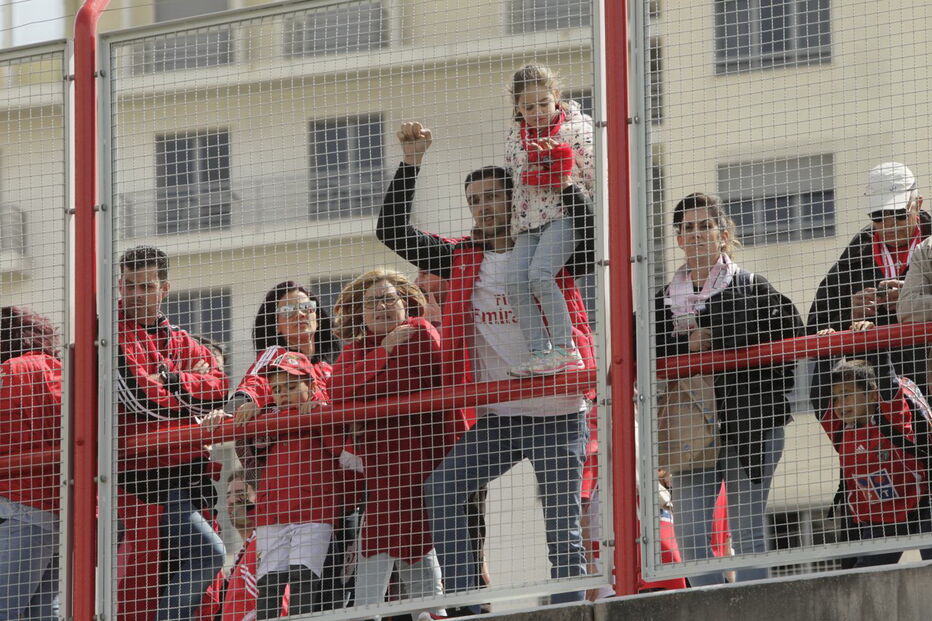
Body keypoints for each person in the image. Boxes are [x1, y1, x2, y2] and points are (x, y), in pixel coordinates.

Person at [376, 121, 595, 615]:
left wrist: (557, 177)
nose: (483, 207)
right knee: (443, 488)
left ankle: (574, 609)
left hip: (557, 413)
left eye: (493, 197)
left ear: (514, 198)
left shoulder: (547, 250)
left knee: (561, 526)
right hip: (501, 416)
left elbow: (590, 231)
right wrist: (412, 162)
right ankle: (466, 605)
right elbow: (391, 232)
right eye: (474, 200)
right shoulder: (461, 257)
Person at [654, 193, 802, 586]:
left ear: (724, 235)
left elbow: (791, 331)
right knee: (690, 539)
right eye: (688, 227)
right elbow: (639, 352)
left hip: (750, 425)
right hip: (691, 431)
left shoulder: (752, 286)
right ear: (678, 238)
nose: (697, 234)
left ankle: (754, 608)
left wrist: (716, 334)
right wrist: (687, 346)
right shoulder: (661, 302)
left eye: (706, 225)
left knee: (748, 528)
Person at [330, 269, 464, 618]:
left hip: (426, 467)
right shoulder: (356, 349)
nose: (383, 307)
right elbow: (339, 392)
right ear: (359, 312)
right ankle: (425, 614)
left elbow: (439, 376)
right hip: (384, 474)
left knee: (404, 541)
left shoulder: (418, 332)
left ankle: (424, 613)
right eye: (373, 301)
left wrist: (365, 397)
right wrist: (384, 352)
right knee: (394, 542)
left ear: (406, 304)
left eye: (390, 298)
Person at [230, 283, 358, 618]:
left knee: (336, 583)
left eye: (307, 307)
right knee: (289, 581)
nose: (300, 315)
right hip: (292, 499)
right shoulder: (272, 359)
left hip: (342, 492)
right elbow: (246, 397)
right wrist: (251, 404)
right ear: (275, 323)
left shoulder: (337, 364)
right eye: (287, 311)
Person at [115, 245, 229, 620]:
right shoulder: (111, 333)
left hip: (188, 475)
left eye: (145, 286)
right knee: (207, 554)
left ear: (164, 289)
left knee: (183, 572)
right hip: (141, 480)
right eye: (129, 285)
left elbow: (220, 389)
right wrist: (191, 389)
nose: (135, 294)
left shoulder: (178, 337)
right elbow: (138, 399)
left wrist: (172, 379)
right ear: (119, 285)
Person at [809, 162, 931, 409]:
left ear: (917, 204)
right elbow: (815, 322)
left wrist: (912, 300)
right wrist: (850, 312)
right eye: (878, 217)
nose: (888, 226)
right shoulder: (859, 250)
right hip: (881, 397)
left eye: (898, 214)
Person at [504, 64, 594, 376]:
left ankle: (565, 349)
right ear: (517, 107)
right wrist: (535, 169)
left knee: (541, 275)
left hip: (563, 215)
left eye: (544, 103)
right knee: (514, 281)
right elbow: (516, 177)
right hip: (527, 221)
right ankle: (540, 352)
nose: (538, 112)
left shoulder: (577, 128)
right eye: (529, 106)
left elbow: (595, 178)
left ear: (556, 97)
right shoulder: (516, 135)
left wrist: (558, 168)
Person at [820, 350, 932, 567]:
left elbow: (886, 380)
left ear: (872, 395)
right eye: (836, 398)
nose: (840, 405)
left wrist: (870, 339)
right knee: (861, 581)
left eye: (847, 395)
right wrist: (827, 350)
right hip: (880, 516)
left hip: (921, 502)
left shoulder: (892, 417)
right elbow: (820, 390)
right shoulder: (838, 429)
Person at [0, 306, 62, 620]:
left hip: (19, 502)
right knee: (40, 611)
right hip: (57, 505)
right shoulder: (54, 368)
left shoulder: (14, 369)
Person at [197, 470, 289, 620]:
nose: (231, 500)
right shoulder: (245, 553)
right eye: (228, 495)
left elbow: (281, 602)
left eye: (240, 493)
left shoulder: (269, 543)